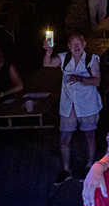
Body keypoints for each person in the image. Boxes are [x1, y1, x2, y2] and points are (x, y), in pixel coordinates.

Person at [44, 33, 103, 186]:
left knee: (89, 135)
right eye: (73, 44)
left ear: (84, 44)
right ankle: (66, 170)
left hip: (88, 104)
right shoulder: (64, 58)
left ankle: (89, 166)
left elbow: (97, 81)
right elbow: (47, 63)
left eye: (79, 43)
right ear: (69, 46)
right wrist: (48, 51)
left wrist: (80, 78)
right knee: (64, 137)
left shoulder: (92, 59)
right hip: (68, 104)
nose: (77, 47)